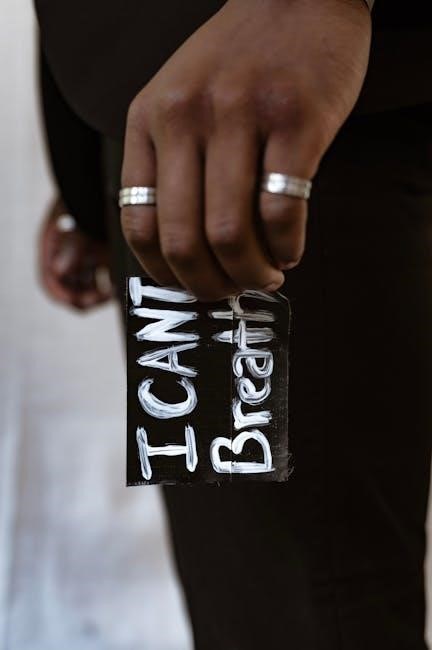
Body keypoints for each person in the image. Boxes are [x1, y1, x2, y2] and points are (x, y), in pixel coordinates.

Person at [36, 0, 432, 647]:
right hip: (189, 137)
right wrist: (85, 171)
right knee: (251, 594)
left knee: (290, 613)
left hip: (266, 118)